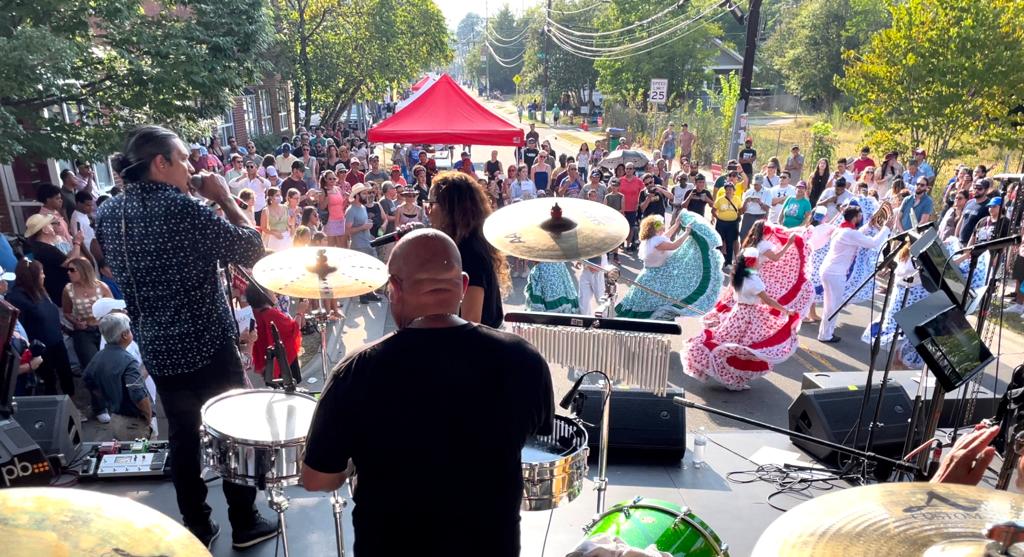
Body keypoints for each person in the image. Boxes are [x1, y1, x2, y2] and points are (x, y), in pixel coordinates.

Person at [302, 229, 553, 557]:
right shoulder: (525, 360)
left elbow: (318, 479)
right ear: (462, 286)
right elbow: (533, 436)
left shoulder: (356, 372)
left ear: (394, 288)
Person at [95, 125, 276, 549]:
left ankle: (197, 525)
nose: (193, 167)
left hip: (157, 346)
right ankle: (245, 521)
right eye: (185, 159)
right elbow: (253, 250)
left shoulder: (108, 212)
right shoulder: (182, 211)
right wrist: (224, 197)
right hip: (207, 344)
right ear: (161, 163)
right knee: (232, 430)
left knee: (182, 436)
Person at [684, 246, 800, 391]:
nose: (761, 262)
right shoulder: (753, 280)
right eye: (759, 260)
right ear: (753, 262)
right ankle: (732, 380)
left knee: (730, 345)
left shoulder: (738, 275)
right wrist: (785, 310)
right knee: (745, 348)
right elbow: (768, 300)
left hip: (738, 313)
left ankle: (732, 379)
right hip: (749, 316)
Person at [426, 172, 509, 328]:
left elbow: (471, 323)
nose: (428, 211)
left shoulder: (469, 252)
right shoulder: (466, 244)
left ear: (449, 207)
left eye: (431, 203)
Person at [615, 213, 724, 319]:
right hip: (652, 276)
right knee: (648, 299)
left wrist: (676, 224)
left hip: (652, 274)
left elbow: (667, 235)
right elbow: (673, 245)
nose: (663, 227)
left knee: (648, 298)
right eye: (660, 225)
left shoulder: (652, 239)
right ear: (654, 229)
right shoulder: (656, 241)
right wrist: (686, 233)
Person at [818, 206, 894, 343]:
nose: (861, 217)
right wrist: (886, 228)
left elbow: (857, 234)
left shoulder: (842, 229)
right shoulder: (849, 233)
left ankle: (825, 333)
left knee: (831, 305)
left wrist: (868, 226)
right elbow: (873, 243)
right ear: (854, 218)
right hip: (835, 273)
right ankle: (825, 335)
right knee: (833, 306)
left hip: (829, 270)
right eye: (859, 216)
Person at [7, 259, 74, 397]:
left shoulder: (40, 291)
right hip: (40, 348)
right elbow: (19, 327)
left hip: (57, 341)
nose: (44, 276)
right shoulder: (16, 298)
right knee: (50, 382)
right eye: (41, 273)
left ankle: (72, 404)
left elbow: (50, 314)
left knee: (66, 374)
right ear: (31, 276)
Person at [84, 312, 153, 440]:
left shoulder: (98, 357)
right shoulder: (128, 361)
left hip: (115, 419)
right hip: (134, 425)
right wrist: (148, 417)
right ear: (125, 335)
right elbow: (138, 394)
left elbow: (88, 381)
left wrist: (109, 396)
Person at [246, 282, 304, 385]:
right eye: (271, 291)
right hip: (283, 363)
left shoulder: (252, 314)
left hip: (267, 366)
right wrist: (300, 312)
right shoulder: (272, 314)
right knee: (290, 388)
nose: (275, 294)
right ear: (264, 296)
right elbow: (293, 330)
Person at [61, 256, 112, 371]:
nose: (68, 273)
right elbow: (67, 312)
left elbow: (113, 308)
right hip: (84, 331)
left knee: (108, 361)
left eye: (72, 270)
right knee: (92, 364)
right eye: (68, 270)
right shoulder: (68, 290)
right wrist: (75, 322)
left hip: (104, 328)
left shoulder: (102, 287)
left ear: (83, 270)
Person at [618, 162, 645, 251]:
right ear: (625, 170)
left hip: (633, 208)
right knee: (621, 227)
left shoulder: (638, 181)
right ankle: (620, 243)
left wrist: (639, 203)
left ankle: (628, 244)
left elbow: (643, 193)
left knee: (631, 227)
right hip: (621, 208)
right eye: (627, 168)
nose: (628, 170)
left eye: (630, 168)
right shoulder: (620, 180)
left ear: (634, 170)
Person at [319, 170, 348, 248]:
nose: (332, 180)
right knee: (330, 246)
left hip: (341, 220)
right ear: (325, 179)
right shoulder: (323, 191)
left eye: (334, 178)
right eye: (330, 179)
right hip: (330, 221)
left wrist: (347, 199)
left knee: (342, 246)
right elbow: (321, 207)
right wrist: (327, 198)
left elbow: (342, 205)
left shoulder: (338, 189)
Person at [740, 174, 772, 241]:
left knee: (757, 237)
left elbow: (766, 208)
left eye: (757, 184)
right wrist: (746, 201)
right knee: (743, 235)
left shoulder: (767, 192)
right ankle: (743, 250)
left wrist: (759, 202)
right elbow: (742, 210)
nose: (755, 186)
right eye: (754, 184)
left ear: (761, 183)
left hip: (760, 215)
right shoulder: (749, 192)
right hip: (748, 215)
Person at [260, 186, 291, 251]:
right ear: (271, 197)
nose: (279, 197)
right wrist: (274, 233)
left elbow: (289, 223)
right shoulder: (265, 210)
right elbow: (263, 227)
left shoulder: (285, 208)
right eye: (277, 195)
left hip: (285, 237)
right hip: (273, 238)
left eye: (280, 195)